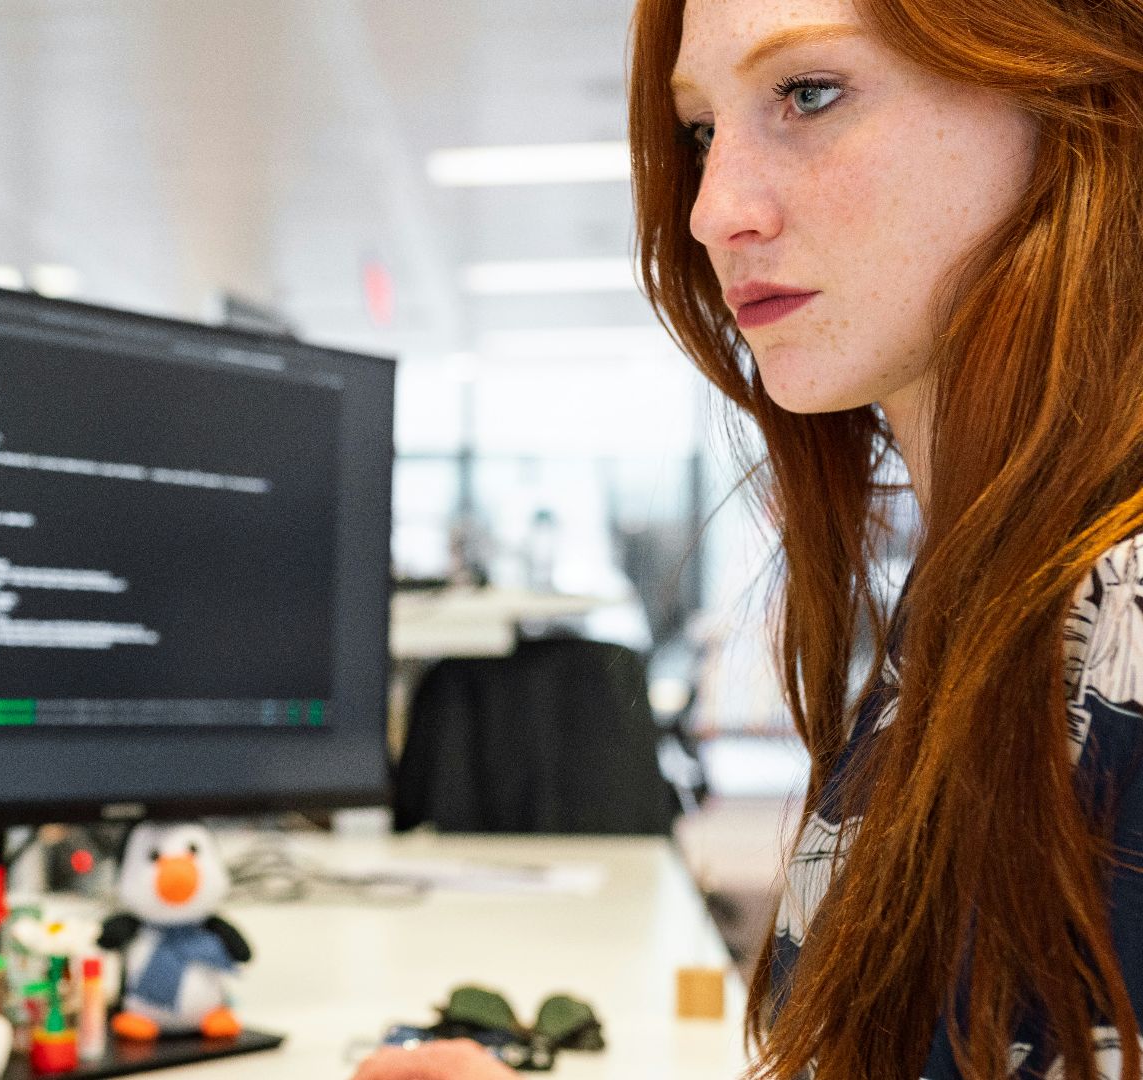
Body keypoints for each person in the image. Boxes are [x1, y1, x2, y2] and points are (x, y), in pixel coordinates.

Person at [354, 0, 1143, 1077]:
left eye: (810, 93)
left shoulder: (1117, 617)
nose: (711, 210)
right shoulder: (986, 591)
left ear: (1072, 87)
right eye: (699, 133)